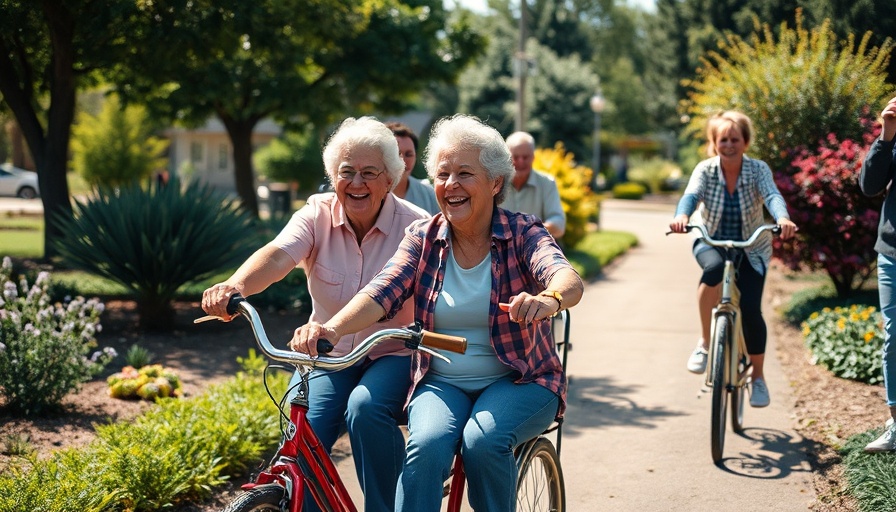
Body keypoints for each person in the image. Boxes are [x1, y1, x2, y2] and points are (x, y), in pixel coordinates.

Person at [289, 114, 584, 512]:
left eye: (465, 174)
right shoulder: (423, 237)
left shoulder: (523, 232)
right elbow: (381, 291)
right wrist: (331, 328)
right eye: (443, 174)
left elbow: (566, 278)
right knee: (425, 448)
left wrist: (548, 299)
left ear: (495, 183)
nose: (451, 185)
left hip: (520, 378)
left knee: (483, 442)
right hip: (441, 380)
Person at [201, 116, 430, 512]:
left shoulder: (417, 227)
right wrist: (235, 285)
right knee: (304, 424)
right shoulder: (317, 213)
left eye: (369, 173)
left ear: (391, 179)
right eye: (346, 172)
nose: (356, 183)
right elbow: (278, 254)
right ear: (332, 175)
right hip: (327, 353)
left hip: (392, 354)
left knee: (366, 409)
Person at [669, 110, 797, 408]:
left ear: (746, 141)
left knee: (751, 309)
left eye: (735, 139)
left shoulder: (757, 170)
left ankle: (759, 378)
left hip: (751, 245)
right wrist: (681, 216)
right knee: (712, 270)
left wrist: (783, 218)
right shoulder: (705, 169)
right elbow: (691, 195)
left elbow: (772, 196)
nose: (729, 144)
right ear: (714, 143)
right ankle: (704, 343)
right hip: (710, 238)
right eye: (723, 139)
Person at [860, 96, 896, 452]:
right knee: (895, 338)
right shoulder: (894, 132)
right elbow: (870, 185)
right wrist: (886, 136)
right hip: (892, 252)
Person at [503, 131, 566, 239]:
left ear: (533, 157)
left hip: (536, 247)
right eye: (516, 157)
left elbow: (559, 223)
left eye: (525, 157)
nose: (521, 161)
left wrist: (533, 228)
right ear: (506, 157)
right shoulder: (495, 182)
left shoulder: (547, 183)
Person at [386, 121, 440, 215]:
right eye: (397, 154)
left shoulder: (429, 194)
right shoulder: (369, 192)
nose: (402, 161)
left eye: (409, 154)